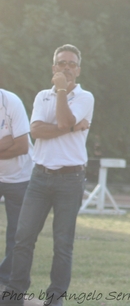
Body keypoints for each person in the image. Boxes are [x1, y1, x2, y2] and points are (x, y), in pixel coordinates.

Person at [1, 45, 94, 306]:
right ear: (54, 68)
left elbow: (63, 121)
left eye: (71, 64)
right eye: (61, 63)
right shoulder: (42, 96)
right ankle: (14, 293)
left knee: (62, 245)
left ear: (78, 69)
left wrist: (63, 91)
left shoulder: (86, 97)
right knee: (23, 238)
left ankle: (54, 300)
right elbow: (36, 131)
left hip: (70, 180)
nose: (66, 67)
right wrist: (72, 126)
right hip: (39, 177)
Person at [0, 89, 33, 286]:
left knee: (18, 233)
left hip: (20, 176)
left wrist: (11, 141)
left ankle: (7, 280)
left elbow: (21, 146)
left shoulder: (11, 101)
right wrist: (6, 141)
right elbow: (12, 140)